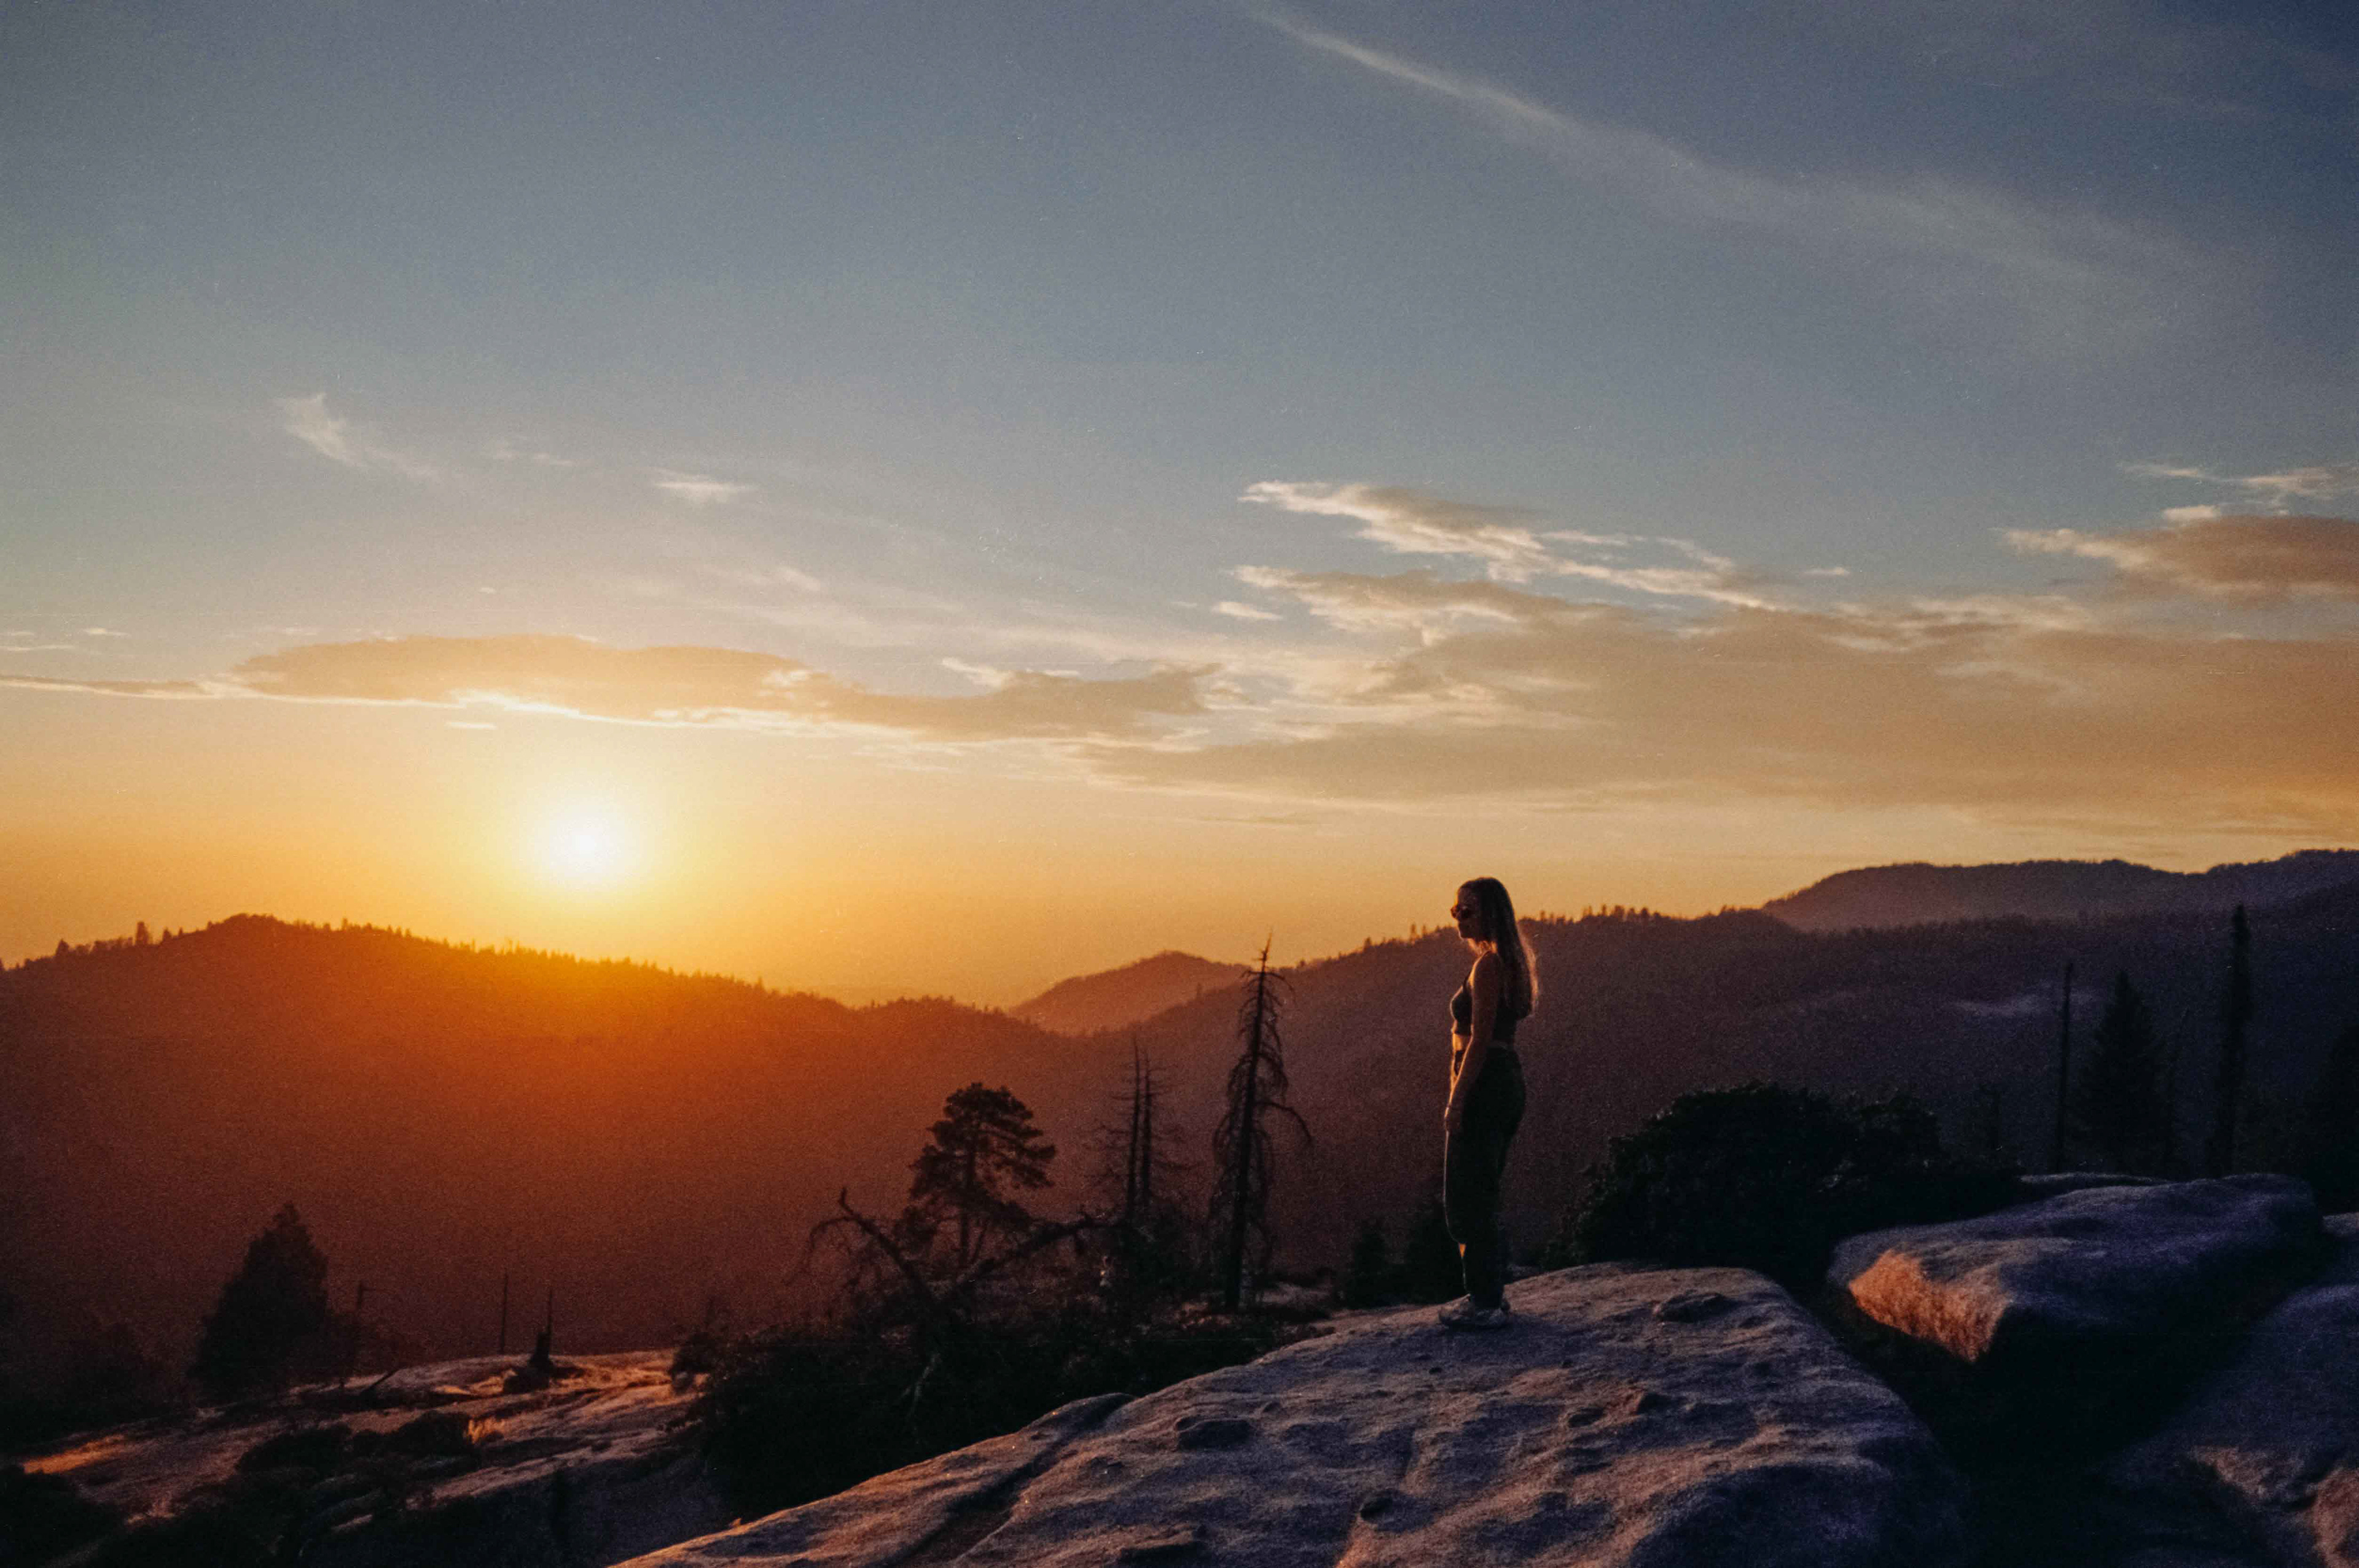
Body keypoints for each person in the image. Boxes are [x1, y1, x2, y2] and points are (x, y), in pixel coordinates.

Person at [1438, 876, 1535, 1331]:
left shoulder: (1489, 966)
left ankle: (1484, 1302)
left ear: (1490, 915)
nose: (1458, 918)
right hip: (1502, 1081)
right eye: (1455, 909)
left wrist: (1457, 1101)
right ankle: (1489, 1293)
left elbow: (1478, 1040)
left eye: (1467, 910)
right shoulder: (1507, 963)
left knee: (1465, 1196)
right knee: (1482, 1189)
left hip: (1485, 1082)